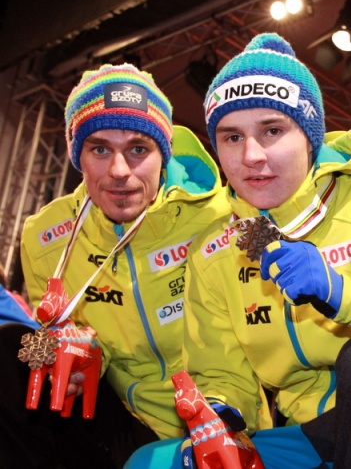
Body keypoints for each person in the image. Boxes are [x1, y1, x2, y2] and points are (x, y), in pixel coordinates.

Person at [127, 33, 351, 469]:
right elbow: (220, 372)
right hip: (313, 435)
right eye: (231, 138)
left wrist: (344, 295)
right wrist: (220, 413)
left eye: (273, 130)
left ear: (309, 134)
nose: (252, 156)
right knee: (155, 462)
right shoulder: (213, 249)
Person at [0, 63, 228, 469]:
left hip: (226, 412)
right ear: (78, 156)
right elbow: (47, 333)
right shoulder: (44, 235)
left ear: (163, 154)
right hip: (121, 415)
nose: (119, 172)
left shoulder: (219, 216)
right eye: (100, 149)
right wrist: (58, 354)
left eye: (139, 149)